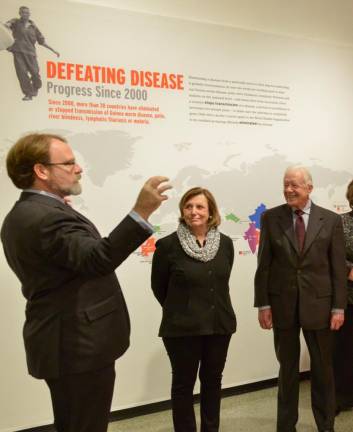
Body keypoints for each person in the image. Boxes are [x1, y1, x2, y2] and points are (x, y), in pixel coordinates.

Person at [1, 133, 170, 432]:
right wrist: (141, 211)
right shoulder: (45, 218)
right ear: (41, 171)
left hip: (66, 343)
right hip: (78, 346)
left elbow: (69, 262)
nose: (78, 168)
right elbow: (97, 259)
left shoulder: (26, 213)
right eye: (68, 163)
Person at [254, 166, 347, 432]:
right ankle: (286, 427)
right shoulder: (271, 218)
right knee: (287, 371)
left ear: (309, 187)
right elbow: (264, 265)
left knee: (322, 372)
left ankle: (325, 426)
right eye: (285, 184)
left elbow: (337, 268)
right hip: (282, 305)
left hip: (320, 306)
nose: (288, 190)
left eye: (294, 185)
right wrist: (263, 303)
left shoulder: (330, 220)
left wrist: (338, 307)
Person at [151, 187, 236, 432]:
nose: (193, 212)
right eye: (188, 206)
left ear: (211, 212)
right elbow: (159, 288)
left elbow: (222, 282)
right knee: (183, 386)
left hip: (219, 326)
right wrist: (183, 309)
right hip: (181, 329)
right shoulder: (167, 246)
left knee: (212, 383)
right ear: (182, 211)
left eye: (199, 206)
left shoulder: (226, 244)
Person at [5, 6, 60, 101]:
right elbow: (5, 27)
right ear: (19, 13)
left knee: (35, 73)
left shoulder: (34, 27)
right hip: (18, 52)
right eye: (23, 12)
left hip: (31, 53)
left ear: (29, 14)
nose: (25, 14)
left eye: (27, 12)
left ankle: (36, 87)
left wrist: (53, 50)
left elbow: (42, 41)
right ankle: (28, 94)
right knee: (22, 74)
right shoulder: (15, 22)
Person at [333, 180, 353, 414]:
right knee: (344, 351)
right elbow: (333, 255)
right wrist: (349, 270)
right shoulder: (340, 222)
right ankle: (340, 397)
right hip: (347, 298)